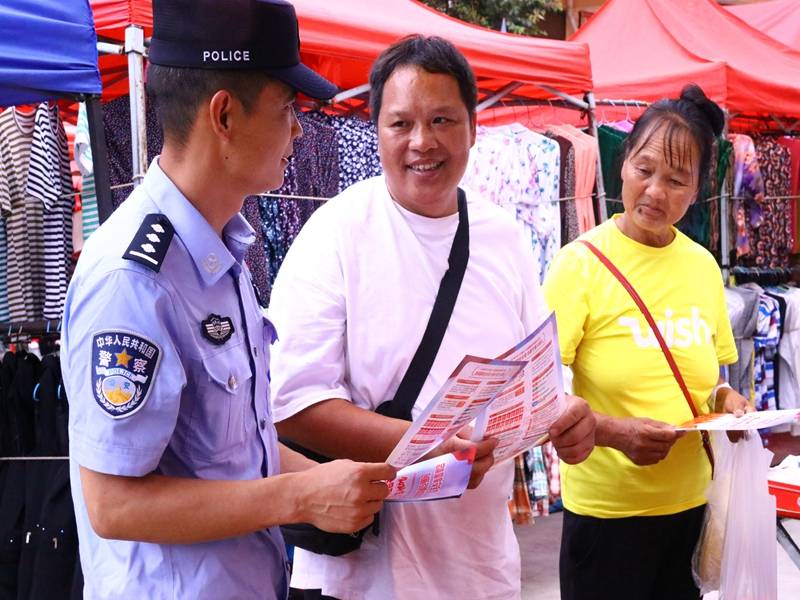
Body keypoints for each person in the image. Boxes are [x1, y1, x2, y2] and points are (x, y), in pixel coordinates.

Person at [60, 1, 396, 598]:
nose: (298, 131)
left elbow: (239, 456)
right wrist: (300, 496)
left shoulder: (220, 249)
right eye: (287, 108)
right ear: (224, 116)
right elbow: (113, 504)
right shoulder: (134, 277)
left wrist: (346, 483)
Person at [268, 35, 596, 600]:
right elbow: (292, 407)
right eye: (401, 124)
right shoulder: (335, 234)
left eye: (443, 120)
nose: (423, 142)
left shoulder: (503, 238)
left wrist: (568, 415)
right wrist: (425, 446)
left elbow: (537, 377)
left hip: (481, 565)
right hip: (364, 575)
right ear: (377, 131)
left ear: (473, 127)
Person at [542, 84, 753, 600]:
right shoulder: (580, 265)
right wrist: (614, 432)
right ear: (622, 166)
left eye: (676, 179)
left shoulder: (702, 266)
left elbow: (714, 381)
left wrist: (728, 403)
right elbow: (535, 395)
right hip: (606, 518)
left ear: (698, 190)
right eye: (644, 170)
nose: (655, 191)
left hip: (691, 510)